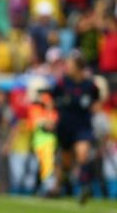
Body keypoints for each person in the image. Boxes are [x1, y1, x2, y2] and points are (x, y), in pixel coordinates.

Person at [52, 52, 100, 204]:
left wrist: (95, 112)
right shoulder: (62, 83)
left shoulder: (90, 86)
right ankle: (58, 186)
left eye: (70, 66)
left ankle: (85, 188)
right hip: (65, 127)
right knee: (65, 161)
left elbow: (97, 101)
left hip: (82, 126)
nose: (67, 68)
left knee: (82, 154)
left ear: (79, 68)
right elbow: (52, 100)